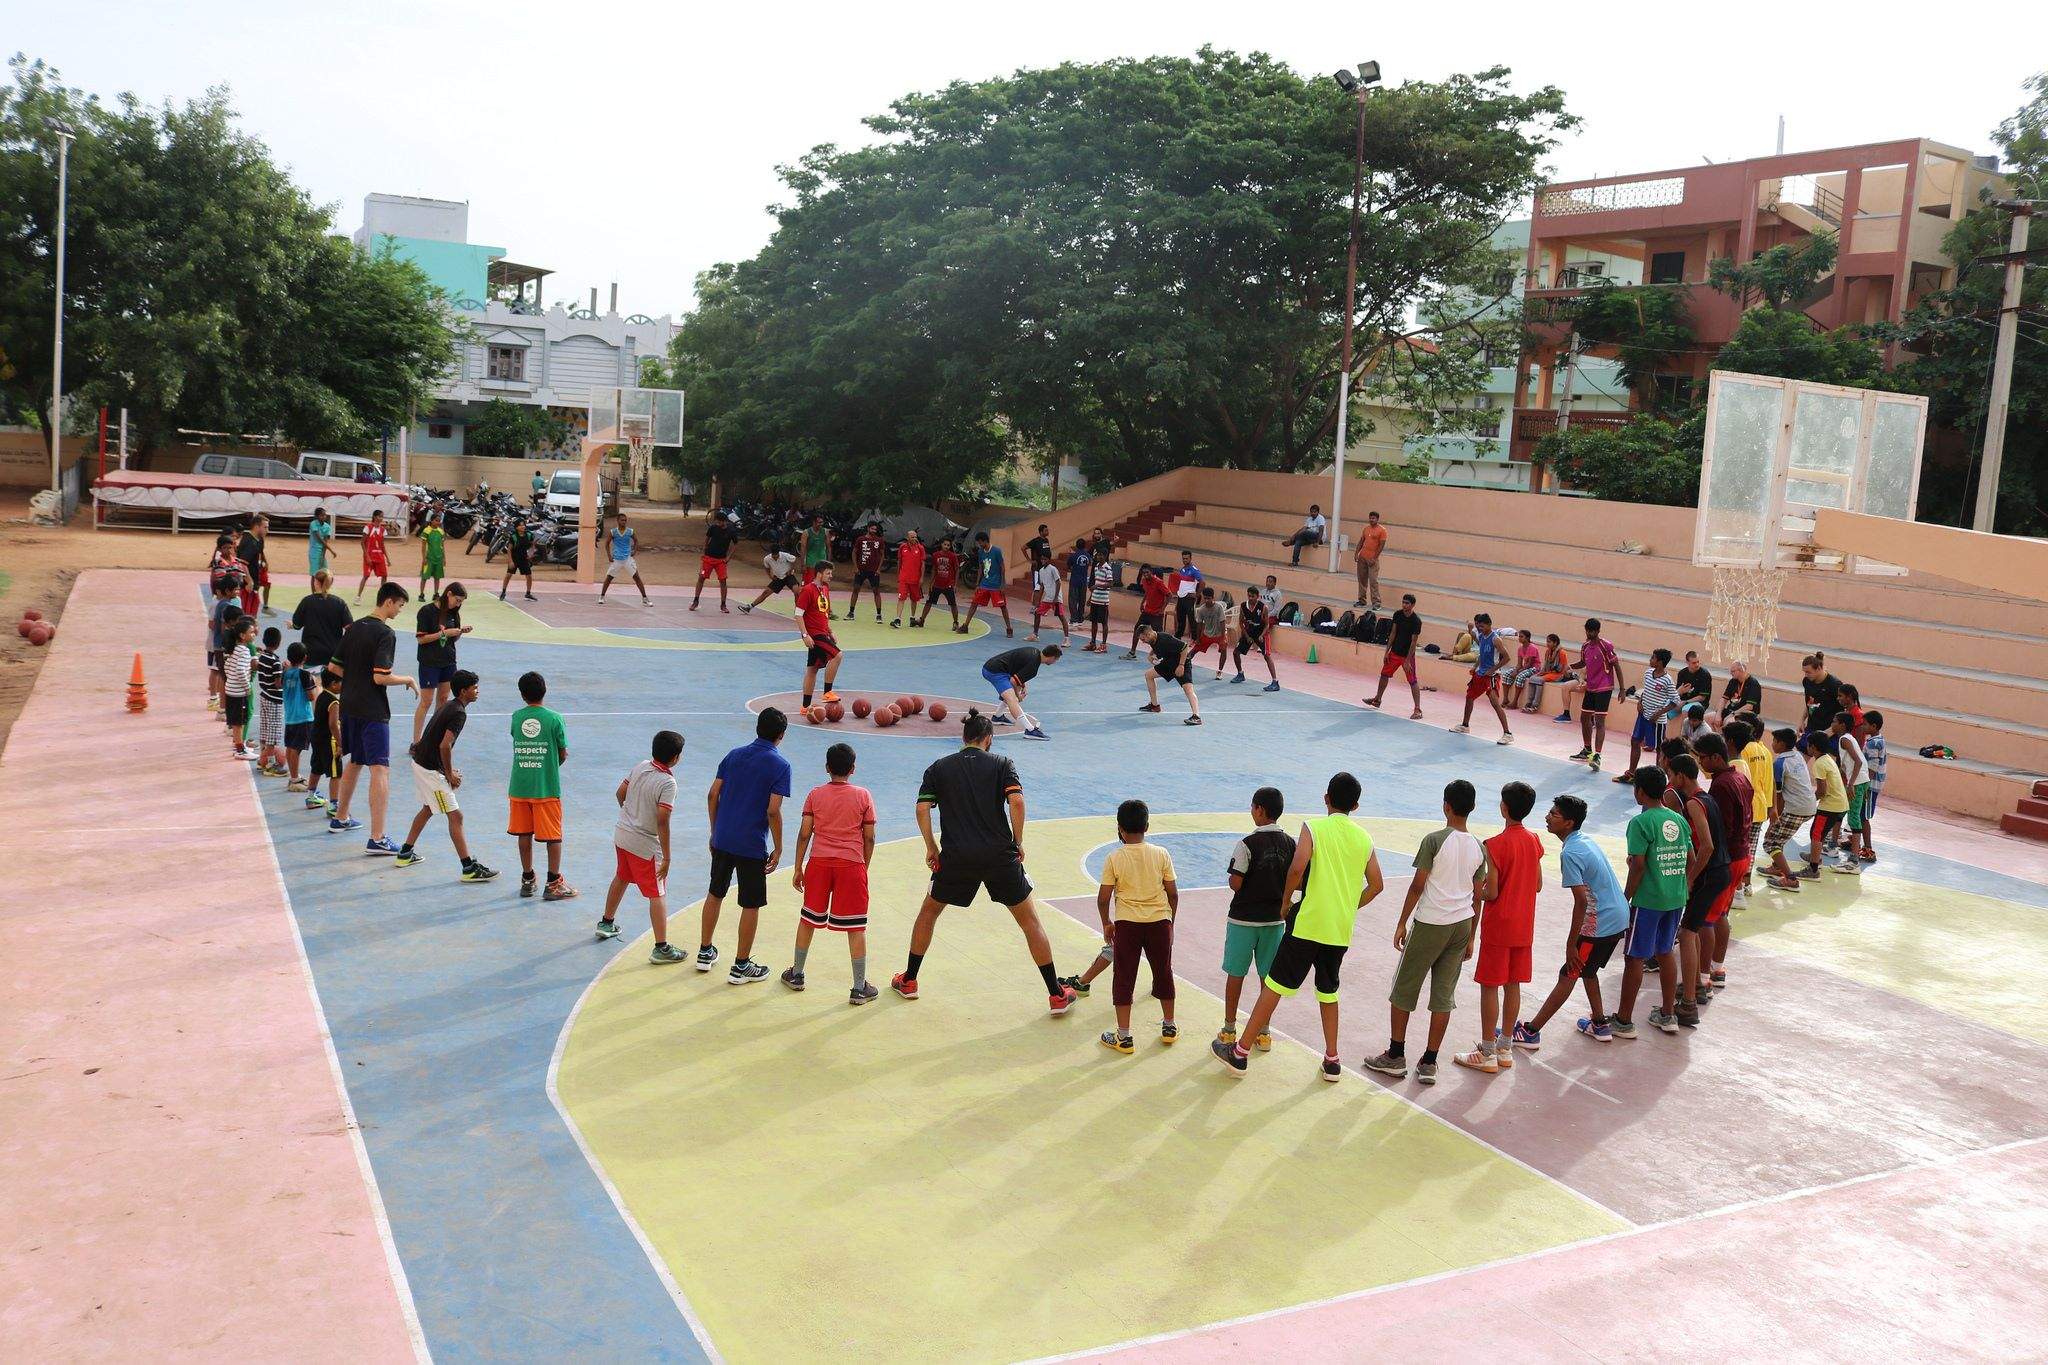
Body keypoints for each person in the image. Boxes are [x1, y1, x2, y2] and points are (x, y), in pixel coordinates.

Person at [892, 708, 1077, 1016]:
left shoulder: (939, 768)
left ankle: (909, 980)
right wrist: (1018, 841)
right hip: (999, 856)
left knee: (929, 913)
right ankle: (1056, 994)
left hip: (956, 856)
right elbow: (1016, 801)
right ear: (988, 740)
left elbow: (922, 809)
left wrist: (931, 847)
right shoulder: (1002, 764)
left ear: (964, 738)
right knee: (1029, 921)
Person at [1211, 772, 1384, 1082]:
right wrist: (1349, 905)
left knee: (1274, 985)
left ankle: (1240, 1052)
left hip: (1308, 924)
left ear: (1326, 798)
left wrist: (1286, 902)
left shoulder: (1314, 828)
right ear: (1356, 805)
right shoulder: (1364, 838)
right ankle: (1332, 1059)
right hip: (1338, 929)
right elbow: (1377, 884)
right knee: (1328, 991)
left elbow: (1297, 867)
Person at [1366, 780, 1493, 1085]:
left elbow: (1417, 885)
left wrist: (1401, 922)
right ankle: (1429, 1062)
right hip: (1462, 925)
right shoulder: (1479, 847)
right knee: (1443, 996)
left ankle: (1396, 1056)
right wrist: (1473, 936)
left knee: (1404, 989)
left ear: (1445, 805)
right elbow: (1478, 896)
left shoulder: (1434, 840)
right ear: (1472, 808)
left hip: (1430, 924)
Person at [1510, 795, 1629, 1048]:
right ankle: (1599, 1023)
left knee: (1569, 973)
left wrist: (1571, 943)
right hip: (1619, 917)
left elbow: (1581, 901)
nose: (1547, 816)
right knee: (1588, 970)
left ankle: (1531, 1031)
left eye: (1554, 814)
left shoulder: (1571, 852)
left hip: (1601, 922)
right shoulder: (1584, 841)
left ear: (1569, 822)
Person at [699, 707, 792, 983]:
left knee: (715, 892)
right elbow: (773, 811)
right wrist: (779, 846)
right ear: (781, 736)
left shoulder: (733, 755)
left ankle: (705, 951)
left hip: (724, 839)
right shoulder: (780, 766)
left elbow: (712, 794)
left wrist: (715, 831)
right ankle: (740, 965)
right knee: (750, 904)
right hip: (751, 844)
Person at [783, 741, 880, 1004]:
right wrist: (863, 865)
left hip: (819, 863)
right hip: (852, 865)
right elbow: (869, 838)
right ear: (853, 769)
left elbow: (805, 833)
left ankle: (797, 974)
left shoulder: (815, 795)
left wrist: (798, 867)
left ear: (827, 768)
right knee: (856, 926)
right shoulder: (863, 796)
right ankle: (859, 988)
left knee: (808, 918)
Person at [1454, 782, 1541, 1074]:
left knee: (1490, 986)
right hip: (1523, 926)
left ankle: (1487, 1051)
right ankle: (1505, 1047)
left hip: (1499, 926)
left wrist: (1474, 889)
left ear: (1504, 808)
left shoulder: (1494, 844)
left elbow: (1490, 892)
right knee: (1513, 984)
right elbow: (1538, 884)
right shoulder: (1534, 841)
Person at [330, 583, 419, 854]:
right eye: (400, 605)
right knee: (380, 768)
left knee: (355, 761)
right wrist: (408, 679)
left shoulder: (354, 627)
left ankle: (341, 817)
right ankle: (378, 837)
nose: (400, 611)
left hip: (349, 705)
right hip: (372, 710)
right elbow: (380, 676)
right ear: (389, 602)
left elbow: (334, 667)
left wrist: (355, 682)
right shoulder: (385, 633)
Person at [1609, 767, 1693, 1040]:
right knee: (1665, 951)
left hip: (1648, 900)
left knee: (1634, 956)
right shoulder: (1678, 820)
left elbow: (1639, 865)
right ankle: (1668, 1014)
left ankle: (1623, 1020)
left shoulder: (1640, 823)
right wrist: (1677, 884)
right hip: (1675, 898)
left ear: (1640, 792)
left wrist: (1625, 898)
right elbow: (1690, 859)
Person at [392, 670, 497, 881]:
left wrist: (444, 769)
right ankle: (469, 868)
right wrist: (448, 774)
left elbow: (435, 741)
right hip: (429, 770)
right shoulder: (459, 713)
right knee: (456, 816)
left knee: (429, 808)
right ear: (464, 691)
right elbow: (445, 745)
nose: (477, 691)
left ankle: (405, 853)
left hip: (423, 764)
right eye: (474, 688)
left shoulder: (450, 706)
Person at [1094, 800, 1180, 1053]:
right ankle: (1169, 1026)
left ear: (1120, 828)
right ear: (1147, 826)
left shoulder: (1114, 857)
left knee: (1124, 976)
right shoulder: (1161, 853)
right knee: (1163, 971)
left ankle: (1124, 1036)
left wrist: (1107, 924)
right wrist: (1170, 923)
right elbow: (1173, 894)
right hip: (1159, 922)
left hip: (1128, 924)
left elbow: (1103, 898)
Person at [596, 731, 686, 963]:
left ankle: (606, 923)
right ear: (676, 757)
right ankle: (661, 947)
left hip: (622, 835)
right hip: (645, 845)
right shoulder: (668, 782)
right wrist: (666, 857)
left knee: (621, 877)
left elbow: (620, 793)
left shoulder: (641, 766)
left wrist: (630, 815)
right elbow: (662, 820)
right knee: (657, 892)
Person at [1216, 786, 1293, 1048]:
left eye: (1252, 807)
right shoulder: (1290, 843)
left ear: (1259, 810)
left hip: (1243, 920)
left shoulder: (1246, 844)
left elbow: (1236, 883)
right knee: (1267, 978)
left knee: (1236, 974)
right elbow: (1297, 878)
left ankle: (1229, 1029)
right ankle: (1264, 1032)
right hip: (1274, 921)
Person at [1665, 752, 1724, 1030]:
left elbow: (1708, 846)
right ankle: (1696, 987)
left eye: (1670, 775)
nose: (1669, 780)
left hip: (1710, 874)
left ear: (1681, 776)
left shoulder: (1693, 803)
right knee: (1696, 928)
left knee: (1686, 934)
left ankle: (1688, 1004)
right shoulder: (1707, 797)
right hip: (1718, 873)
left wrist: (1690, 878)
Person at [509, 670, 576, 901]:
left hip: (519, 786)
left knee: (524, 833)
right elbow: (562, 752)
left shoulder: (517, 717)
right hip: (546, 787)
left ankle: (527, 880)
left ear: (522, 695)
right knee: (553, 836)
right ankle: (553, 882)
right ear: (544, 690)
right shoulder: (555, 718)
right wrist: (548, 765)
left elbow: (516, 739)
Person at [1696, 734, 1752, 996]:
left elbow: (1722, 827)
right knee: (1721, 914)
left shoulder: (1720, 785)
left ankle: (1703, 977)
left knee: (1706, 919)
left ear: (1716, 757)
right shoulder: (1740, 777)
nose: (1701, 763)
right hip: (1742, 855)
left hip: (1726, 858)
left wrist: (1708, 861)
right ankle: (1717, 968)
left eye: (1703, 758)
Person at [1760, 726, 1819, 892]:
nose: (1772, 744)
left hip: (1796, 808)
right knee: (1780, 836)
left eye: (1775, 741)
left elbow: (1778, 794)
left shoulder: (1779, 763)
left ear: (1782, 743)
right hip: (1808, 805)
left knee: (1770, 842)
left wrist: (1774, 817)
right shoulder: (1798, 756)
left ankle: (1790, 879)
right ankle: (1777, 866)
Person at [410, 583, 470, 745]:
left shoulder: (454, 613)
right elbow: (421, 639)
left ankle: (433, 738)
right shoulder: (427, 612)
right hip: (429, 661)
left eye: (460, 602)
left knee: (443, 700)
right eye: (457, 600)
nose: (458, 605)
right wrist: (444, 633)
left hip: (448, 661)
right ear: (448, 594)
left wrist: (459, 632)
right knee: (426, 701)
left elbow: (451, 638)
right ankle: (416, 742)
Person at [1566, 618, 1624, 772]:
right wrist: (1570, 667)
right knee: (1584, 717)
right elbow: (1583, 662)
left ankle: (1597, 755)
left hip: (1604, 687)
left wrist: (1622, 689)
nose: (1590, 633)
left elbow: (1616, 666)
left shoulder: (1606, 645)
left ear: (1598, 631)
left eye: (1592, 631)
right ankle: (1587, 750)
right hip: (1591, 687)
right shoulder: (1585, 646)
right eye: (1588, 630)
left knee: (1599, 721)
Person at [1452, 612, 1514, 745]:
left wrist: (1492, 670)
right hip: (1480, 674)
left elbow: (1507, 657)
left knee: (1495, 703)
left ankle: (1507, 734)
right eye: (1478, 626)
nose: (1479, 628)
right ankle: (1465, 725)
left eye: (1482, 626)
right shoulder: (1482, 636)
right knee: (1469, 698)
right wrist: (1475, 667)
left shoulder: (1496, 639)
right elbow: (1482, 654)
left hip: (1491, 676)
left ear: (1489, 625)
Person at [1616, 647, 1677, 781]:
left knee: (1659, 749)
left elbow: (1675, 701)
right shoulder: (1648, 673)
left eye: (1653, 658)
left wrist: (1659, 713)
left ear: (1660, 662)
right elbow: (1646, 690)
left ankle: (1658, 779)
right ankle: (1631, 774)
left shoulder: (1667, 680)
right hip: (1643, 716)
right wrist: (1640, 701)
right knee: (1635, 741)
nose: (1650, 660)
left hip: (1657, 721)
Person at [981, 643, 1059, 740]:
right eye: (1056, 659)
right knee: (1012, 699)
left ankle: (998, 716)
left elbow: (1018, 672)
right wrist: (1017, 696)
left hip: (992, 666)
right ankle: (1030, 730)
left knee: (1010, 693)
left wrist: (1023, 684)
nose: (1055, 662)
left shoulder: (1033, 651)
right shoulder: (1033, 667)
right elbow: (1013, 681)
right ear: (1052, 657)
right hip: (995, 672)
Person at [1364, 593, 1425, 718]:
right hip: (1394, 652)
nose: (1404, 605)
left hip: (1407, 656)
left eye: (1407, 603)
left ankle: (1418, 709)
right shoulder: (1397, 614)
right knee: (1384, 675)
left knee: (1413, 681)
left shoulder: (1416, 621)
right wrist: (1387, 651)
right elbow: (1393, 633)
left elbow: (1414, 642)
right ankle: (1377, 700)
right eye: (1403, 602)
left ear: (1413, 605)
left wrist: (1408, 660)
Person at [1801, 730, 1851, 879]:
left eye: (1808, 745)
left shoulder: (1819, 763)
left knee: (1816, 834)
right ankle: (1815, 857)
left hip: (1830, 805)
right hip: (1839, 804)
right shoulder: (1828, 758)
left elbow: (1822, 790)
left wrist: (1810, 802)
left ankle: (1813, 869)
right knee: (1818, 833)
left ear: (1813, 747)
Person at [793, 570, 843, 709]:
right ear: (819, 574)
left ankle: (805, 707)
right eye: (828, 573)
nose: (831, 576)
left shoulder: (825, 589)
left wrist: (830, 631)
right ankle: (827, 692)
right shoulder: (808, 590)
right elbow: (798, 614)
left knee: (812, 669)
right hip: (815, 635)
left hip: (823, 633)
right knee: (837, 655)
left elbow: (824, 614)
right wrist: (805, 635)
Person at [1828, 712, 1868, 875]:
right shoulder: (1843, 739)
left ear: (1843, 725)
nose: (1832, 723)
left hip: (1857, 782)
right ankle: (1832, 847)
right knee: (1840, 810)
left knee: (1853, 818)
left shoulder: (1845, 739)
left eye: (1834, 721)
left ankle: (1854, 861)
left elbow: (1858, 761)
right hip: (1857, 781)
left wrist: (1851, 784)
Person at [1136, 624, 1200, 725]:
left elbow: (1184, 647)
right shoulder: (1153, 639)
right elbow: (1155, 647)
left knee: (1188, 689)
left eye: (1143, 639)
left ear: (1148, 634)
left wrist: (1181, 665)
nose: (1143, 642)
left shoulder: (1165, 638)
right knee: (1149, 675)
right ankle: (1154, 706)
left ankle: (1196, 717)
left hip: (1181, 663)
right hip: (1168, 663)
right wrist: (1150, 655)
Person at [290, 569, 353, 671]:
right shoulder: (339, 603)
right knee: (332, 685)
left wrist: (291, 625)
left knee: (311, 685)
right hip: (333, 656)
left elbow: (297, 625)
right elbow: (350, 628)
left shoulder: (307, 601)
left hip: (311, 654)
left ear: (316, 582)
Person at [959, 531, 1012, 637]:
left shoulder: (996, 551)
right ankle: (965, 626)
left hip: (996, 585)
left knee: (1003, 607)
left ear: (984, 541)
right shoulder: (981, 552)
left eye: (979, 542)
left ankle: (1009, 628)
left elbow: (1002, 567)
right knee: (974, 603)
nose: (979, 545)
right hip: (984, 584)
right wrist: (977, 583)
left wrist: (1002, 584)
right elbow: (981, 568)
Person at [305, 664, 342, 812]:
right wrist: (340, 743)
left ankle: (311, 796)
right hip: (329, 741)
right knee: (336, 773)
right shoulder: (334, 701)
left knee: (317, 767)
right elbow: (333, 725)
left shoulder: (321, 696)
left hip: (316, 738)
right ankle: (334, 805)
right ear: (334, 684)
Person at [1230, 583, 1280, 691]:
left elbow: (1267, 625)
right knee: (1235, 652)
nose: (1250, 598)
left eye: (1253, 596)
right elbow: (1240, 623)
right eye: (1249, 596)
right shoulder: (1243, 606)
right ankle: (1240, 674)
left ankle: (1275, 682)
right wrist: (1247, 636)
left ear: (1258, 596)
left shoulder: (1263, 608)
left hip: (1262, 633)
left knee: (1267, 656)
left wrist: (1262, 635)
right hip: (1249, 632)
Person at [253, 626, 288, 777]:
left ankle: (263, 760)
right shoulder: (276, 662)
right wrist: (285, 671)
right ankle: (271, 764)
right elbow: (278, 684)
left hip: (264, 696)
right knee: (273, 734)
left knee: (265, 729)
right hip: (274, 700)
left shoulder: (262, 657)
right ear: (279, 643)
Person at [597, 511, 651, 605]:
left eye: (625, 520)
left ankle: (645, 598)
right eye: (622, 520)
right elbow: (606, 543)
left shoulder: (630, 531)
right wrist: (609, 556)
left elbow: (636, 540)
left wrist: (635, 550)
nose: (624, 522)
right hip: (617, 559)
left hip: (627, 558)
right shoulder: (613, 532)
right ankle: (601, 596)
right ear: (618, 521)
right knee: (609, 577)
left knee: (636, 577)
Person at [1855, 711, 1888, 864]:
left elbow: (1873, 768)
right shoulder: (1876, 740)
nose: (1863, 726)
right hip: (1870, 784)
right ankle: (1858, 841)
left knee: (1864, 817)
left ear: (1874, 726)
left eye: (1865, 724)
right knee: (1860, 814)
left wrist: (1863, 784)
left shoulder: (1873, 743)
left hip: (1870, 786)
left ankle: (1868, 849)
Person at [282, 641, 316, 791]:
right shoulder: (305, 674)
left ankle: (293, 776)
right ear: (305, 658)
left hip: (290, 716)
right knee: (296, 749)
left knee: (290, 747)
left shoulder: (286, 673)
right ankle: (295, 780)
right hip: (303, 716)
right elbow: (311, 696)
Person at [220, 616, 255, 760]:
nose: (253, 634)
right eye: (251, 632)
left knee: (235, 722)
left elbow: (227, 667)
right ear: (242, 635)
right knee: (240, 722)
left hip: (231, 690)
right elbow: (241, 670)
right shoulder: (245, 651)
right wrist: (247, 687)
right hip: (239, 692)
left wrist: (231, 680)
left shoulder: (233, 649)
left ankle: (239, 745)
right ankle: (240, 750)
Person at [206, 574, 239, 713]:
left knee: (223, 677)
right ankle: (222, 709)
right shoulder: (226, 606)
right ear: (227, 591)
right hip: (222, 646)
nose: (237, 592)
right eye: (235, 589)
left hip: (220, 645)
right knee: (226, 679)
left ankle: (222, 708)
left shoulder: (222, 604)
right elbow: (223, 627)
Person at [1123, 566, 1171, 660]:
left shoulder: (1158, 582)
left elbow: (1169, 595)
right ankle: (1132, 652)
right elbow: (1147, 592)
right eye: (1144, 573)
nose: (1145, 574)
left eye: (1147, 572)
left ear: (1151, 572)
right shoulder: (1144, 581)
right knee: (1137, 629)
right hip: (1147, 611)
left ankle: (1162, 655)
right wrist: (1142, 603)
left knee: (1158, 635)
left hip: (1156, 613)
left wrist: (1162, 609)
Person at [692, 510, 737, 612]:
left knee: (723, 581)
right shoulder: (713, 528)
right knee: (701, 577)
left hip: (721, 560)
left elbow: (735, 544)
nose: (717, 523)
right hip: (708, 558)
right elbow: (707, 540)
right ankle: (695, 600)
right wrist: (704, 552)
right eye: (716, 521)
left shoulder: (731, 531)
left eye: (719, 522)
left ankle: (723, 604)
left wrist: (729, 557)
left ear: (724, 521)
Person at [738, 541, 800, 613]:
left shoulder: (785, 555)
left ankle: (798, 611)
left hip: (788, 576)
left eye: (776, 555)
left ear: (779, 552)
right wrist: (770, 576)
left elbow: (794, 560)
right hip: (778, 578)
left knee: (796, 591)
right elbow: (767, 567)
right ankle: (749, 607)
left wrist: (791, 570)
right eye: (773, 555)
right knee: (765, 592)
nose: (775, 557)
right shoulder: (767, 559)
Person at [915, 535, 962, 631]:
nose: (946, 546)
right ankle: (922, 620)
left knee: (953, 604)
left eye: (948, 545)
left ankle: (955, 622)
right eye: (945, 544)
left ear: (950, 547)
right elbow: (934, 569)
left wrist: (955, 584)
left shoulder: (952, 556)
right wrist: (931, 583)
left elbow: (957, 570)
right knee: (929, 602)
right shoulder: (936, 555)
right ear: (941, 544)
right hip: (937, 584)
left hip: (948, 584)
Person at [846, 520, 887, 622]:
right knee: (856, 589)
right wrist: (855, 567)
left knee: (876, 591)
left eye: (875, 529)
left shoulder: (879, 540)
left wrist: (879, 569)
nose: (874, 531)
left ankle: (879, 614)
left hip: (874, 571)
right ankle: (851, 612)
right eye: (872, 528)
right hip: (861, 569)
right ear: (868, 528)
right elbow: (854, 552)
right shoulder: (860, 539)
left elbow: (882, 555)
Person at [1521, 633, 1571, 714]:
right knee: (1532, 678)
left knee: (1539, 680)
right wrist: (1541, 672)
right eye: (1547, 642)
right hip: (1548, 673)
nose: (1547, 644)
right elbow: (1545, 665)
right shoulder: (1548, 652)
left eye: (1549, 642)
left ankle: (1535, 705)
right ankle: (1529, 702)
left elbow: (1564, 667)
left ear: (1555, 643)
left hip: (1558, 674)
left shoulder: (1562, 653)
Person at [1710, 660, 1763, 733]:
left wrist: (1732, 714)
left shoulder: (1753, 684)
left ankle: (1725, 742)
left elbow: (1749, 706)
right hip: (1731, 711)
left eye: (1733, 671)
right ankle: (1716, 740)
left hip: (1745, 714)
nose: (1730, 673)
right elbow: (1724, 699)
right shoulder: (1733, 681)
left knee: (1729, 722)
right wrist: (1718, 713)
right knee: (1708, 718)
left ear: (1741, 670)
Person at [1026, 554, 1069, 644]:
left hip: (1056, 599)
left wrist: (1056, 597)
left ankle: (1067, 639)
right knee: (1037, 613)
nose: (1043, 561)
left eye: (1045, 559)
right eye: (1042, 559)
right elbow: (1042, 586)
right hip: (1047, 598)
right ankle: (1035, 635)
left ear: (1048, 560)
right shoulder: (1041, 571)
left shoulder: (1053, 569)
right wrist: (1038, 600)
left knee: (1061, 617)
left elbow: (1058, 583)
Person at [1800, 653, 1845, 737]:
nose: (1806, 675)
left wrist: (1830, 731)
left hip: (1828, 731)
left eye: (1808, 672)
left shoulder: (1834, 685)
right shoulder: (1807, 681)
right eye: (1804, 672)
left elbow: (1845, 711)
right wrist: (1802, 721)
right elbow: (1809, 703)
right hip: (1812, 728)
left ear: (1819, 668)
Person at [236, 515, 272, 617]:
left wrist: (264, 563)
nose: (267, 530)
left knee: (252, 614)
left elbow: (259, 554)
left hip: (254, 582)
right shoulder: (250, 543)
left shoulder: (259, 540)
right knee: (246, 615)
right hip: (246, 585)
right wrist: (249, 581)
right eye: (265, 527)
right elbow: (242, 563)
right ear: (256, 527)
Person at [1189, 587, 1229, 679]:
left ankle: (1219, 671)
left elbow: (1222, 623)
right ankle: (1183, 665)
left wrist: (1223, 638)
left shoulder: (1219, 608)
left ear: (1213, 597)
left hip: (1219, 634)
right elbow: (1199, 625)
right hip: (1207, 633)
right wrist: (1198, 638)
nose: (1206, 600)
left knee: (1223, 650)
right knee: (1194, 650)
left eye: (1209, 598)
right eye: (1205, 598)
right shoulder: (1201, 610)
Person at [891, 529, 927, 629]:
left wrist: (921, 578)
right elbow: (899, 561)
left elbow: (923, 564)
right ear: (908, 538)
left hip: (915, 579)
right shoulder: (902, 547)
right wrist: (899, 574)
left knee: (914, 599)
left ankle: (912, 618)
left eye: (915, 537)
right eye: (912, 537)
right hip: (904, 578)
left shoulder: (920, 548)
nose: (914, 539)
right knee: (901, 598)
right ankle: (898, 619)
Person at [1499, 629, 1541, 711]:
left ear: (1527, 638)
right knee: (1506, 674)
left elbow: (1529, 664)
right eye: (1519, 636)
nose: (1519, 638)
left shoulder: (1532, 648)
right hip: (1525, 667)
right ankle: (1506, 699)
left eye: (1522, 637)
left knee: (1519, 677)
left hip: (1534, 668)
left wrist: (1518, 672)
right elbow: (1519, 664)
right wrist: (1515, 670)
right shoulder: (1520, 649)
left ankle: (1515, 702)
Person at [498, 515, 537, 602]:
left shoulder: (529, 535)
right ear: (516, 527)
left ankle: (528, 593)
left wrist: (531, 552)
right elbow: (509, 550)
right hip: (514, 558)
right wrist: (510, 561)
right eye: (520, 525)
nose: (523, 526)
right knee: (508, 575)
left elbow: (533, 544)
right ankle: (503, 592)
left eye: (524, 525)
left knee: (529, 576)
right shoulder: (513, 537)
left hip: (524, 558)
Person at [356, 509, 390, 603]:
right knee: (366, 576)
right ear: (375, 517)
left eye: (382, 517)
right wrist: (366, 556)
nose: (381, 518)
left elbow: (382, 545)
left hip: (379, 556)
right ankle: (358, 596)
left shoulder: (383, 530)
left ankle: (382, 597)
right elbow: (362, 542)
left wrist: (387, 558)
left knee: (384, 575)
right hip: (369, 556)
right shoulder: (368, 527)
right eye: (379, 516)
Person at [1354, 510, 1387, 607]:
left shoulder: (1382, 530)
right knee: (1362, 580)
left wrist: (1374, 558)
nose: (1371, 520)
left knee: (1373, 581)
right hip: (1362, 557)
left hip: (1372, 559)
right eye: (1370, 518)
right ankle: (1362, 600)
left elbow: (1381, 546)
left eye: (1373, 518)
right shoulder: (1366, 529)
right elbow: (1361, 541)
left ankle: (1376, 602)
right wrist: (1356, 553)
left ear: (1377, 519)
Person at [1083, 552, 1114, 654]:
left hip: (1103, 601)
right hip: (1095, 600)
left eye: (1101, 555)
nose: (1099, 557)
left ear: (1105, 556)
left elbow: (1110, 583)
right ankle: (1092, 643)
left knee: (1104, 623)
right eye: (1097, 555)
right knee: (1093, 622)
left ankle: (1103, 645)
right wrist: (1090, 598)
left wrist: (1097, 586)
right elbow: (1096, 582)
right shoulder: (1096, 567)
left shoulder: (1107, 568)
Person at [1168, 549, 1203, 638]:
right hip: (1181, 597)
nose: (1185, 560)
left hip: (1189, 598)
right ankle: (1178, 636)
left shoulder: (1194, 570)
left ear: (1190, 558)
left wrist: (1197, 595)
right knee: (1180, 618)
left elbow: (1202, 583)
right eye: (1183, 559)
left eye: (1186, 559)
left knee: (1191, 619)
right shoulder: (1182, 570)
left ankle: (1195, 638)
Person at [1064, 537, 1093, 634]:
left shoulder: (1073, 555)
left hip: (1074, 580)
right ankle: (1080, 619)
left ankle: (1074, 619)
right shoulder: (1088, 556)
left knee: (1073, 600)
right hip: (1083, 581)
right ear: (1084, 546)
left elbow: (1068, 566)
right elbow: (1090, 564)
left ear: (1076, 546)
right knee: (1082, 600)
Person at [417, 512, 447, 601]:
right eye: (436, 521)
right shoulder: (426, 531)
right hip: (429, 558)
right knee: (424, 577)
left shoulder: (441, 532)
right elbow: (423, 546)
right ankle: (421, 594)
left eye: (439, 521)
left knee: (437, 577)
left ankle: (436, 594)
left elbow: (442, 546)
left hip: (438, 558)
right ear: (431, 521)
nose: (438, 522)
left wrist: (444, 558)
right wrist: (424, 558)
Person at [1675, 650, 1713, 714]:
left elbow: (1702, 697)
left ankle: (1684, 724)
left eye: (1698, 662)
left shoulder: (1705, 674)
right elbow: (1678, 693)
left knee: (1686, 710)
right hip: (1683, 700)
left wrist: (1685, 702)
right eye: (1694, 663)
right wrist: (1680, 691)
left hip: (1699, 703)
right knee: (1669, 707)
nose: (1697, 664)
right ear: (1687, 662)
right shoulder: (1682, 673)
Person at [307, 508, 335, 588]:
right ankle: (314, 594)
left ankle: (324, 591)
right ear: (317, 516)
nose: (324, 516)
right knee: (314, 575)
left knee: (327, 574)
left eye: (325, 515)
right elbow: (320, 539)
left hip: (321, 552)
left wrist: (323, 554)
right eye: (321, 515)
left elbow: (325, 542)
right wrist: (331, 550)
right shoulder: (313, 524)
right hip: (314, 552)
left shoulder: (327, 527)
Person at [801, 512, 831, 584]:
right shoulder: (806, 532)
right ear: (814, 522)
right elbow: (803, 549)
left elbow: (829, 548)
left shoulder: (825, 532)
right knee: (809, 584)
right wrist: (803, 564)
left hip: (822, 562)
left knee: (822, 584)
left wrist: (829, 563)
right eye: (819, 522)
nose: (821, 524)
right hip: (810, 562)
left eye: (822, 522)